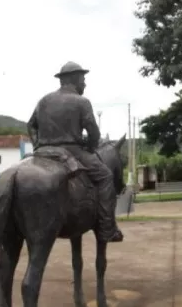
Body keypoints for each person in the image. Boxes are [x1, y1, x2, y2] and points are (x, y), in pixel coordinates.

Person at [27, 61, 123, 242]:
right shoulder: (82, 102)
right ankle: (107, 228)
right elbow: (94, 133)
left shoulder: (44, 100)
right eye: (83, 79)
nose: (84, 83)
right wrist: (91, 147)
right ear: (74, 79)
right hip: (73, 151)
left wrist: (37, 146)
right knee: (106, 177)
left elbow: (30, 125)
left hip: (44, 151)